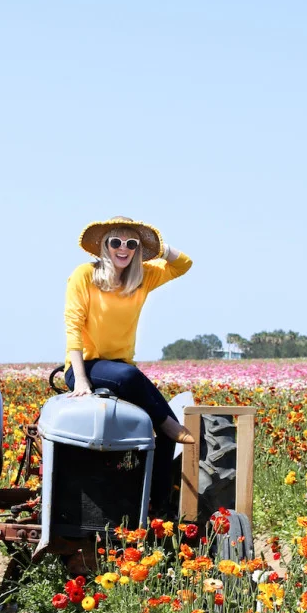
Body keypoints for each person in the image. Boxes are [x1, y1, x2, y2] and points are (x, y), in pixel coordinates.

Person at [63, 216, 194, 512]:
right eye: (116, 242)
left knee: (153, 422)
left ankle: (158, 506)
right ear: (104, 246)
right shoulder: (85, 274)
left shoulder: (142, 278)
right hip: (86, 368)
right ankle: (170, 424)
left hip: (122, 371)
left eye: (131, 244)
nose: (123, 248)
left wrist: (158, 247)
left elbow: (183, 264)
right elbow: (73, 327)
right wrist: (81, 380)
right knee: (132, 379)